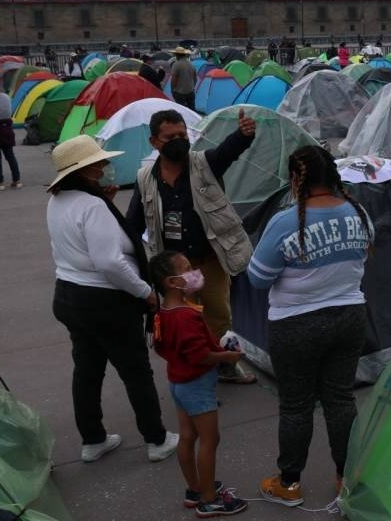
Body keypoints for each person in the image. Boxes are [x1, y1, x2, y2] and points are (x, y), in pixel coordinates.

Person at [249, 145, 372, 507]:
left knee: (296, 406)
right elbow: (364, 255)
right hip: (350, 317)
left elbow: (257, 278)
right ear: (332, 176)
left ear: (294, 180)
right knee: (340, 398)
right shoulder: (359, 212)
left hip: (295, 324)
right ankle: (344, 479)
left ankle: (288, 484)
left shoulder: (285, 222)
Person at [46, 136, 180, 465]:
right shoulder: (92, 206)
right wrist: (145, 292)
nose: (105, 167)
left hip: (68, 295)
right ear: (86, 170)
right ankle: (157, 439)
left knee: (88, 370)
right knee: (135, 370)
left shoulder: (59, 200)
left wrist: (104, 205)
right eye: (99, 163)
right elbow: (110, 263)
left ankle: (93, 439)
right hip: (103, 301)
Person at [126, 109, 258, 384]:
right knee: (184, 321)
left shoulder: (204, 164)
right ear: (154, 142)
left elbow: (226, 152)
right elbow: (133, 225)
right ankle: (194, 371)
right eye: (169, 137)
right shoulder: (144, 179)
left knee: (219, 317)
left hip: (210, 261)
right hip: (176, 271)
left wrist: (244, 135)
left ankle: (226, 367)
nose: (178, 140)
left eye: (182, 135)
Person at [149, 251, 249, 518]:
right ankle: (209, 499)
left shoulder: (164, 312)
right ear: (172, 281)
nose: (194, 272)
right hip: (196, 385)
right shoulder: (186, 317)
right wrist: (228, 356)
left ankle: (195, 488)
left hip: (178, 381)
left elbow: (161, 346)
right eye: (187, 268)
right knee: (209, 439)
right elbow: (200, 356)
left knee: (187, 437)